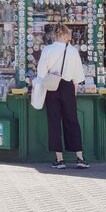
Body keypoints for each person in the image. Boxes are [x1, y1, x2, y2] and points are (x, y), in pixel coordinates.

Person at [36, 24, 90, 169]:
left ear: (55, 35)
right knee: (72, 121)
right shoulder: (72, 51)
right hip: (67, 87)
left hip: (52, 87)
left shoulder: (47, 50)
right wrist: (73, 91)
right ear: (65, 35)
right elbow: (78, 76)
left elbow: (41, 73)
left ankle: (59, 160)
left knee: (54, 122)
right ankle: (80, 158)